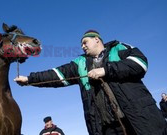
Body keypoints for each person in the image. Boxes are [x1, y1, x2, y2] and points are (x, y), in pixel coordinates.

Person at [15, 30, 167, 135]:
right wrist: (29, 79)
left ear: (96, 39)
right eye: (81, 44)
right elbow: (56, 74)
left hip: (139, 120)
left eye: (85, 42)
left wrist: (106, 70)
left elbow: (139, 63)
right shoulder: (80, 63)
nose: (82, 46)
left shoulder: (118, 48)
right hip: (106, 128)